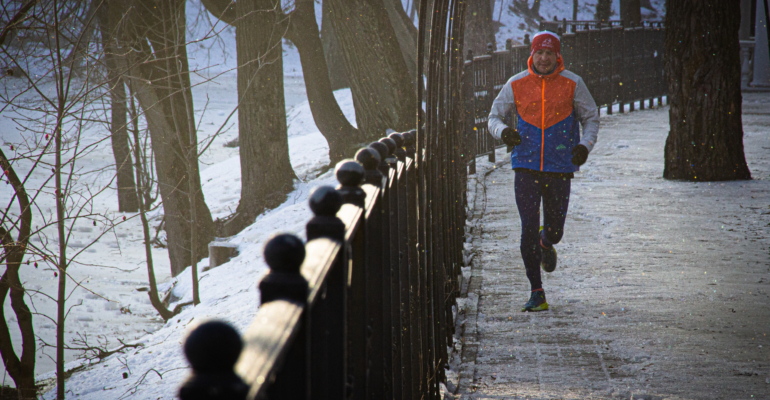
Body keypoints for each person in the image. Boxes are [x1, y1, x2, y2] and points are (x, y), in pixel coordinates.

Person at [487, 31, 599, 312]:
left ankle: (546, 242)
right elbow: (493, 117)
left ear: (557, 56)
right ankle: (536, 291)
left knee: (556, 230)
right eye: (540, 53)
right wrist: (504, 133)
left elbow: (591, 118)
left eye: (550, 53)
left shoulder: (573, 83)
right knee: (527, 227)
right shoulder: (516, 83)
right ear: (532, 54)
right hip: (525, 166)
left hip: (560, 168)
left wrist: (584, 146)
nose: (544, 58)